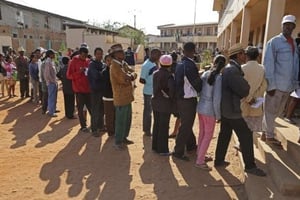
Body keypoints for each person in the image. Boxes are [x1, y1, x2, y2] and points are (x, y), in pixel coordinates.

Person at [214, 43, 266, 176]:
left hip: (228, 109)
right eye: (243, 53)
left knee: (224, 135)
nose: (245, 55)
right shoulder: (232, 70)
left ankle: (219, 160)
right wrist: (247, 88)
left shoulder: (231, 68)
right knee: (246, 136)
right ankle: (250, 166)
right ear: (238, 55)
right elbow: (244, 89)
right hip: (233, 111)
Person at [262, 15, 299, 146]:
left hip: (288, 86)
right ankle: (270, 136)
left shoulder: (294, 43)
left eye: (290, 25)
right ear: (282, 26)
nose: (288, 27)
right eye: (285, 24)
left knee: (277, 112)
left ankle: (265, 132)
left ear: (294, 27)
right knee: (270, 111)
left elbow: (295, 64)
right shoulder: (274, 42)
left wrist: (295, 84)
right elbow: (268, 64)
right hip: (276, 85)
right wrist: (270, 85)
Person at [195, 55, 226, 171]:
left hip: (201, 107)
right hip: (210, 110)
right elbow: (217, 99)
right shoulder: (218, 78)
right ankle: (200, 161)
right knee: (208, 136)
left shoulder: (205, 74)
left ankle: (200, 154)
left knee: (202, 133)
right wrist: (218, 115)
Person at [172, 42, 202, 161]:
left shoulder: (181, 64)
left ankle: (190, 146)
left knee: (186, 124)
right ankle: (178, 152)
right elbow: (196, 84)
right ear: (193, 51)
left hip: (182, 98)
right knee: (186, 126)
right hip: (187, 100)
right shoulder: (189, 65)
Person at [109, 43, 137, 150]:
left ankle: (124, 137)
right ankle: (118, 141)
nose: (123, 53)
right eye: (120, 52)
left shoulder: (123, 63)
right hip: (120, 98)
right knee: (120, 121)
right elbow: (124, 79)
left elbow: (133, 73)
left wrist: (130, 76)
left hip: (127, 96)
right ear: (115, 55)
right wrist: (130, 77)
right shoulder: (114, 66)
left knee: (127, 119)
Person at [151, 55, 175, 155]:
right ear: (170, 64)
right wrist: (170, 96)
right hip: (165, 104)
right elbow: (172, 91)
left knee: (156, 124)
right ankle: (163, 150)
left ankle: (155, 146)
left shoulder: (155, 73)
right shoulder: (169, 76)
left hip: (155, 102)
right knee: (164, 127)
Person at [240, 46, 267, 132]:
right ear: (257, 56)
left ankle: (242, 144)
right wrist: (255, 96)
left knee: (242, 128)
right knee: (251, 129)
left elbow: (240, 86)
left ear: (246, 56)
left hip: (243, 102)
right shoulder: (262, 68)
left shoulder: (242, 68)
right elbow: (264, 85)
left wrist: (249, 98)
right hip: (256, 102)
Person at [67, 45, 91, 132]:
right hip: (79, 90)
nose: (85, 58)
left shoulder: (88, 61)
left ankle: (94, 125)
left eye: (86, 56)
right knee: (80, 109)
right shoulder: (73, 62)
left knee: (91, 108)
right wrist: (79, 72)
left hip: (88, 89)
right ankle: (83, 126)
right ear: (80, 54)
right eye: (83, 56)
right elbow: (69, 76)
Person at [139, 48, 161, 136]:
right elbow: (141, 80)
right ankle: (146, 129)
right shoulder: (146, 65)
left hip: (155, 91)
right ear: (153, 54)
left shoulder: (155, 63)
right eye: (158, 55)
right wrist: (150, 82)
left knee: (153, 111)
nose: (159, 57)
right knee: (148, 112)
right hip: (148, 92)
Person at [87, 47, 105, 137]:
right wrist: (103, 73)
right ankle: (94, 129)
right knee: (95, 110)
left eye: (101, 54)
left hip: (102, 90)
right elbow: (96, 76)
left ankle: (101, 126)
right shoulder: (92, 65)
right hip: (95, 91)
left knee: (102, 110)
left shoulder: (102, 64)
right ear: (95, 54)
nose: (100, 55)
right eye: (98, 54)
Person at [102, 54, 115, 137]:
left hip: (116, 97)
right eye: (108, 60)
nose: (110, 62)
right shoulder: (104, 72)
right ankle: (110, 132)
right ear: (105, 62)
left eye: (111, 60)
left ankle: (115, 130)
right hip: (108, 97)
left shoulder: (116, 71)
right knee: (109, 116)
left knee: (115, 115)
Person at [169, 51, 181, 138]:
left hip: (168, 93)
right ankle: (175, 131)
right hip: (177, 94)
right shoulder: (179, 67)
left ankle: (173, 132)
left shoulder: (167, 67)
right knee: (179, 115)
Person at [43, 49, 58, 117]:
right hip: (51, 82)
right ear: (50, 55)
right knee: (51, 97)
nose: (54, 55)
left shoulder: (51, 61)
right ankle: (51, 111)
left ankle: (53, 109)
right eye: (53, 54)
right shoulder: (48, 62)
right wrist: (52, 81)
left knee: (54, 97)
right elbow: (47, 74)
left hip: (53, 81)